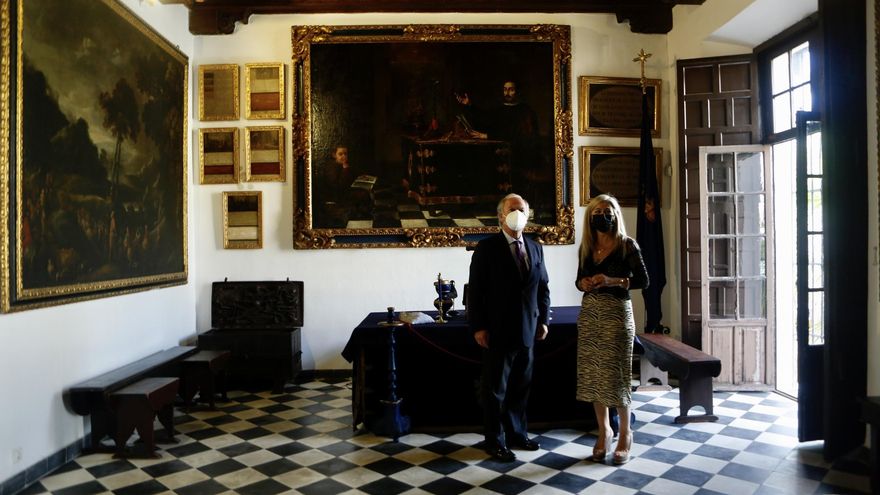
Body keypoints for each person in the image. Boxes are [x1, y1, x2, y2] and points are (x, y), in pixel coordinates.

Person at [468, 193, 551, 462]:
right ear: (501, 216)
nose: (518, 214)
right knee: (495, 391)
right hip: (497, 331)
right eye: (513, 209)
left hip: (528, 330)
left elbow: (543, 289)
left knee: (520, 387)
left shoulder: (535, 247)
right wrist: (478, 327)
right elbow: (476, 292)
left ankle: (518, 434)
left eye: (522, 210)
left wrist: (544, 320)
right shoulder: (486, 248)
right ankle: (495, 440)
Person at [575, 194, 648, 465]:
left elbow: (643, 280)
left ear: (616, 215)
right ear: (590, 217)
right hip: (591, 314)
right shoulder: (587, 246)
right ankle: (604, 430)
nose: (602, 215)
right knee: (594, 375)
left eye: (607, 211)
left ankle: (625, 433)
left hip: (616, 315)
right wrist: (584, 283)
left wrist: (612, 280)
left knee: (616, 375)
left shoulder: (627, 245)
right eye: (597, 211)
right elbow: (577, 280)